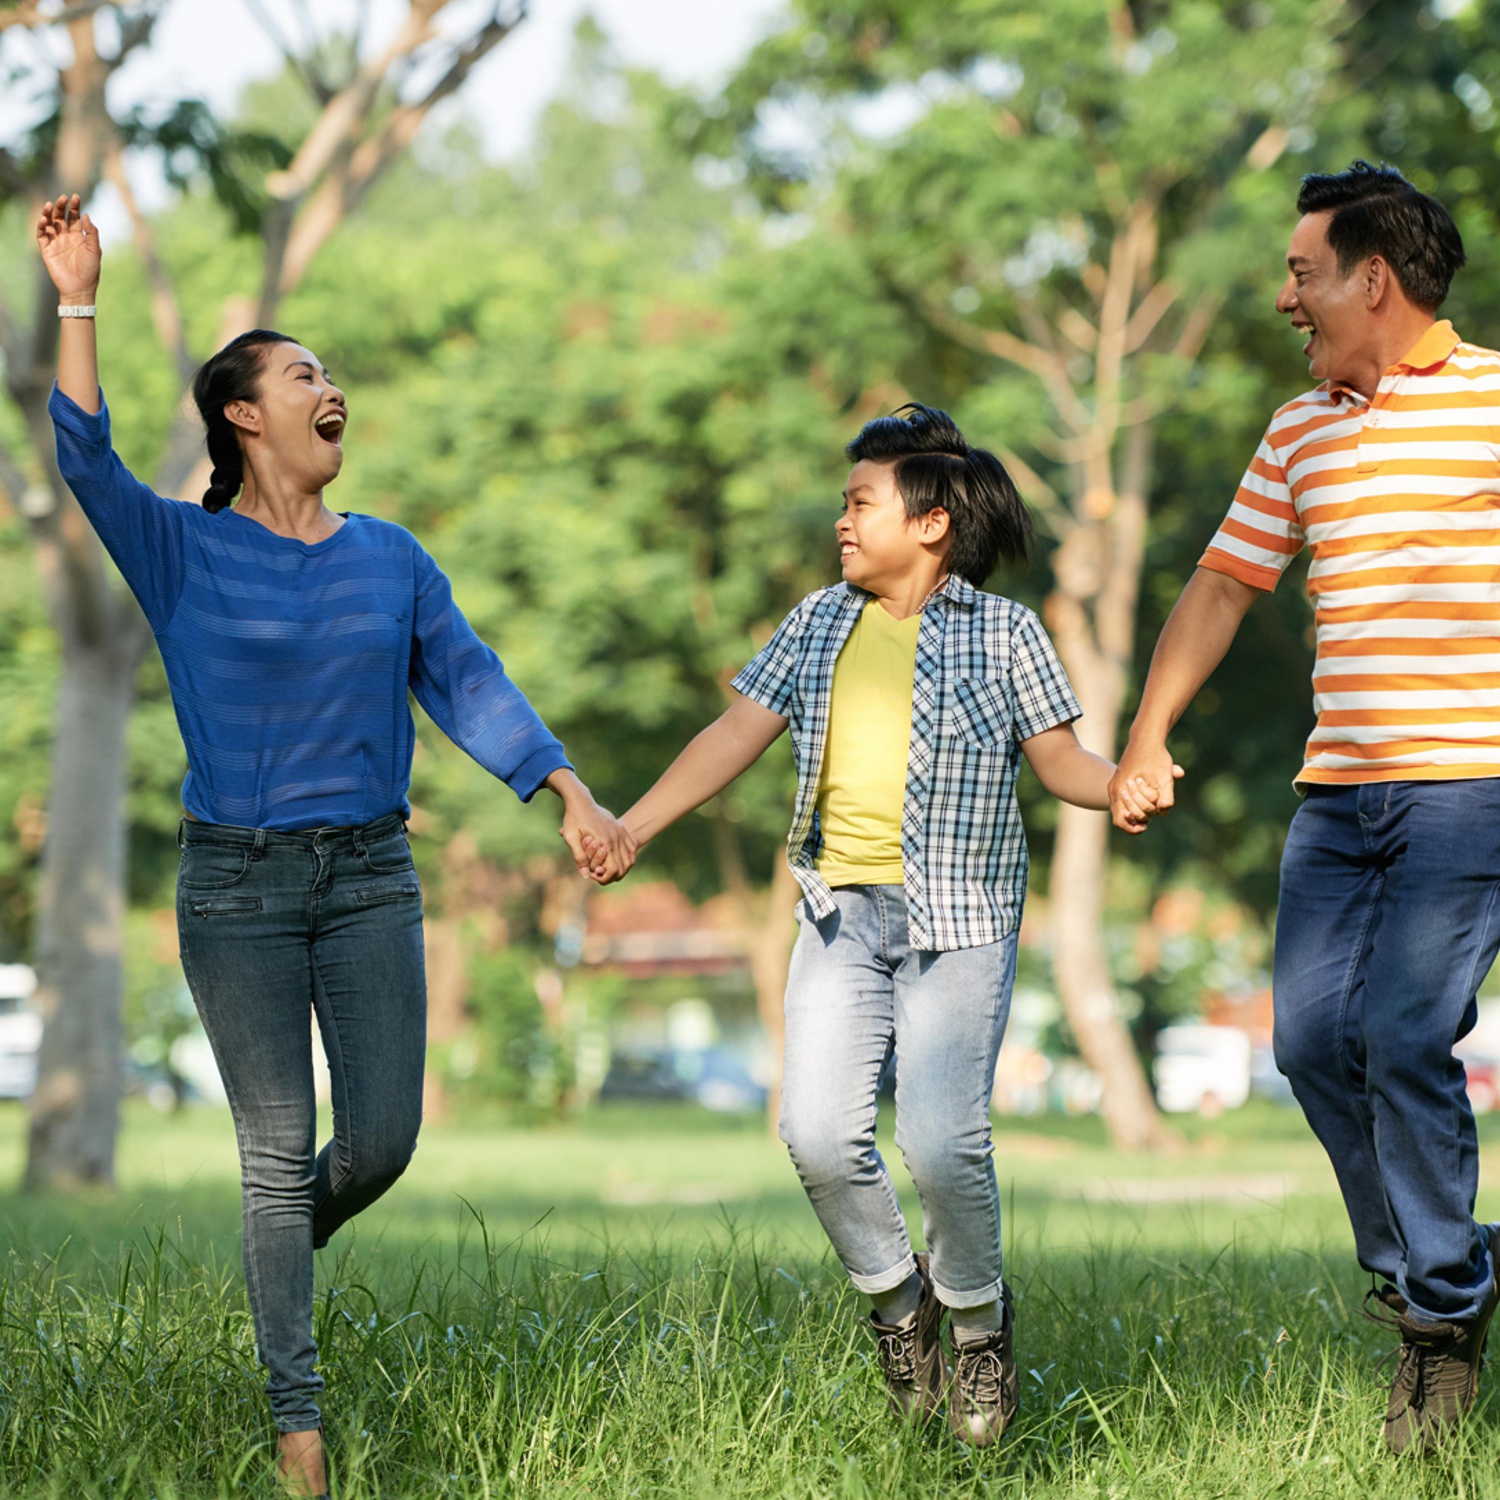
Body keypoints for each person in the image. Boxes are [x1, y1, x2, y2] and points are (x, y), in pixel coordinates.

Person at [36, 194, 633, 1496]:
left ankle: (275, 1263)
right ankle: (296, 1426)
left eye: (332, 375)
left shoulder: (391, 559)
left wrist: (571, 794)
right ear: (244, 415)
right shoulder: (182, 549)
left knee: (379, 1145)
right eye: (305, 374)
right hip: (237, 886)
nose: (332, 389)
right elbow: (83, 454)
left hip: (369, 878)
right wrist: (79, 296)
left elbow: (468, 680)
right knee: (273, 1154)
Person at [588, 404, 1157, 1445]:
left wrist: (1117, 784)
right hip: (836, 916)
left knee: (941, 1143)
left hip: (961, 921)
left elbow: (1060, 758)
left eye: (862, 503)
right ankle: (902, 1310)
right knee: (815, 1133)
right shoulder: (818, 621)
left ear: (932, 522)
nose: (843, 522)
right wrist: (634, 826)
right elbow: (734, 733)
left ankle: (978, 1330)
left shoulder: (1005, 633)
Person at [1108, 160, 1500, 1454]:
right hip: (1336, 797)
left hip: (1470, 784)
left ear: (1371, 279)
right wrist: (1148, 733)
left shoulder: (1493, 401)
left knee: (1403, 1034)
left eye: (1302, 272)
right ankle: (1446, 1268)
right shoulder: (1299, 431)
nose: (1285, 297)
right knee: (1313, 1045)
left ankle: (1440, 1323)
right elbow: (1225, 584)